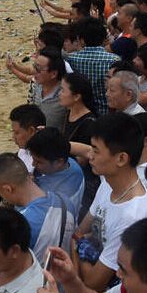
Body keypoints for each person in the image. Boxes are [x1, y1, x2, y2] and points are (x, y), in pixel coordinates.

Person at [71, 113, 147, 292]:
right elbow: (81, 230)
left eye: (96, 150)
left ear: (121, 159)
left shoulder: (133, 215)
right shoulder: (108, 184)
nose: (90, 156)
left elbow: (94, 283)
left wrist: (77, 249)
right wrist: (79, 243)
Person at [0, 153, 76, 264]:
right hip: (65, 273)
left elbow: (4, 265)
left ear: (8, 189)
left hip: (40, 278)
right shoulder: (64, 201)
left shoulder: (20, 224)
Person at [0, 104, 46, 214]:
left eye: (17, 132)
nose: (13, 137)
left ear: (32, 131)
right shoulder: (23, 153)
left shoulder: (45, 162)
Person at [59, 72, 99, 222]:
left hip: (80, 182)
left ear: (77, 96)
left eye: (63, 90)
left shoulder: (89, 123)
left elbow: (81, 161)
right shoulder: (68, 113)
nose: (60, 94)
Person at [27, 127, 85, 219]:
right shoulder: (70, 163)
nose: (33, 164)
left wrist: (28, 187)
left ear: (59, 162)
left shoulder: (59, 194)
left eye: (39, 162)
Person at [67, 18, 120, 115]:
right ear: (104, 39)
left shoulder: (71, 59)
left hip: (82, 114)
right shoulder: (114, 60)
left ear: (81, 40)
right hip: (107, 113)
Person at [29, 46, 68, 130]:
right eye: (34, 66)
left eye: (38, 69)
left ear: (53, 74)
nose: (34, 71)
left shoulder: (66, 94)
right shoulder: (36, 86)